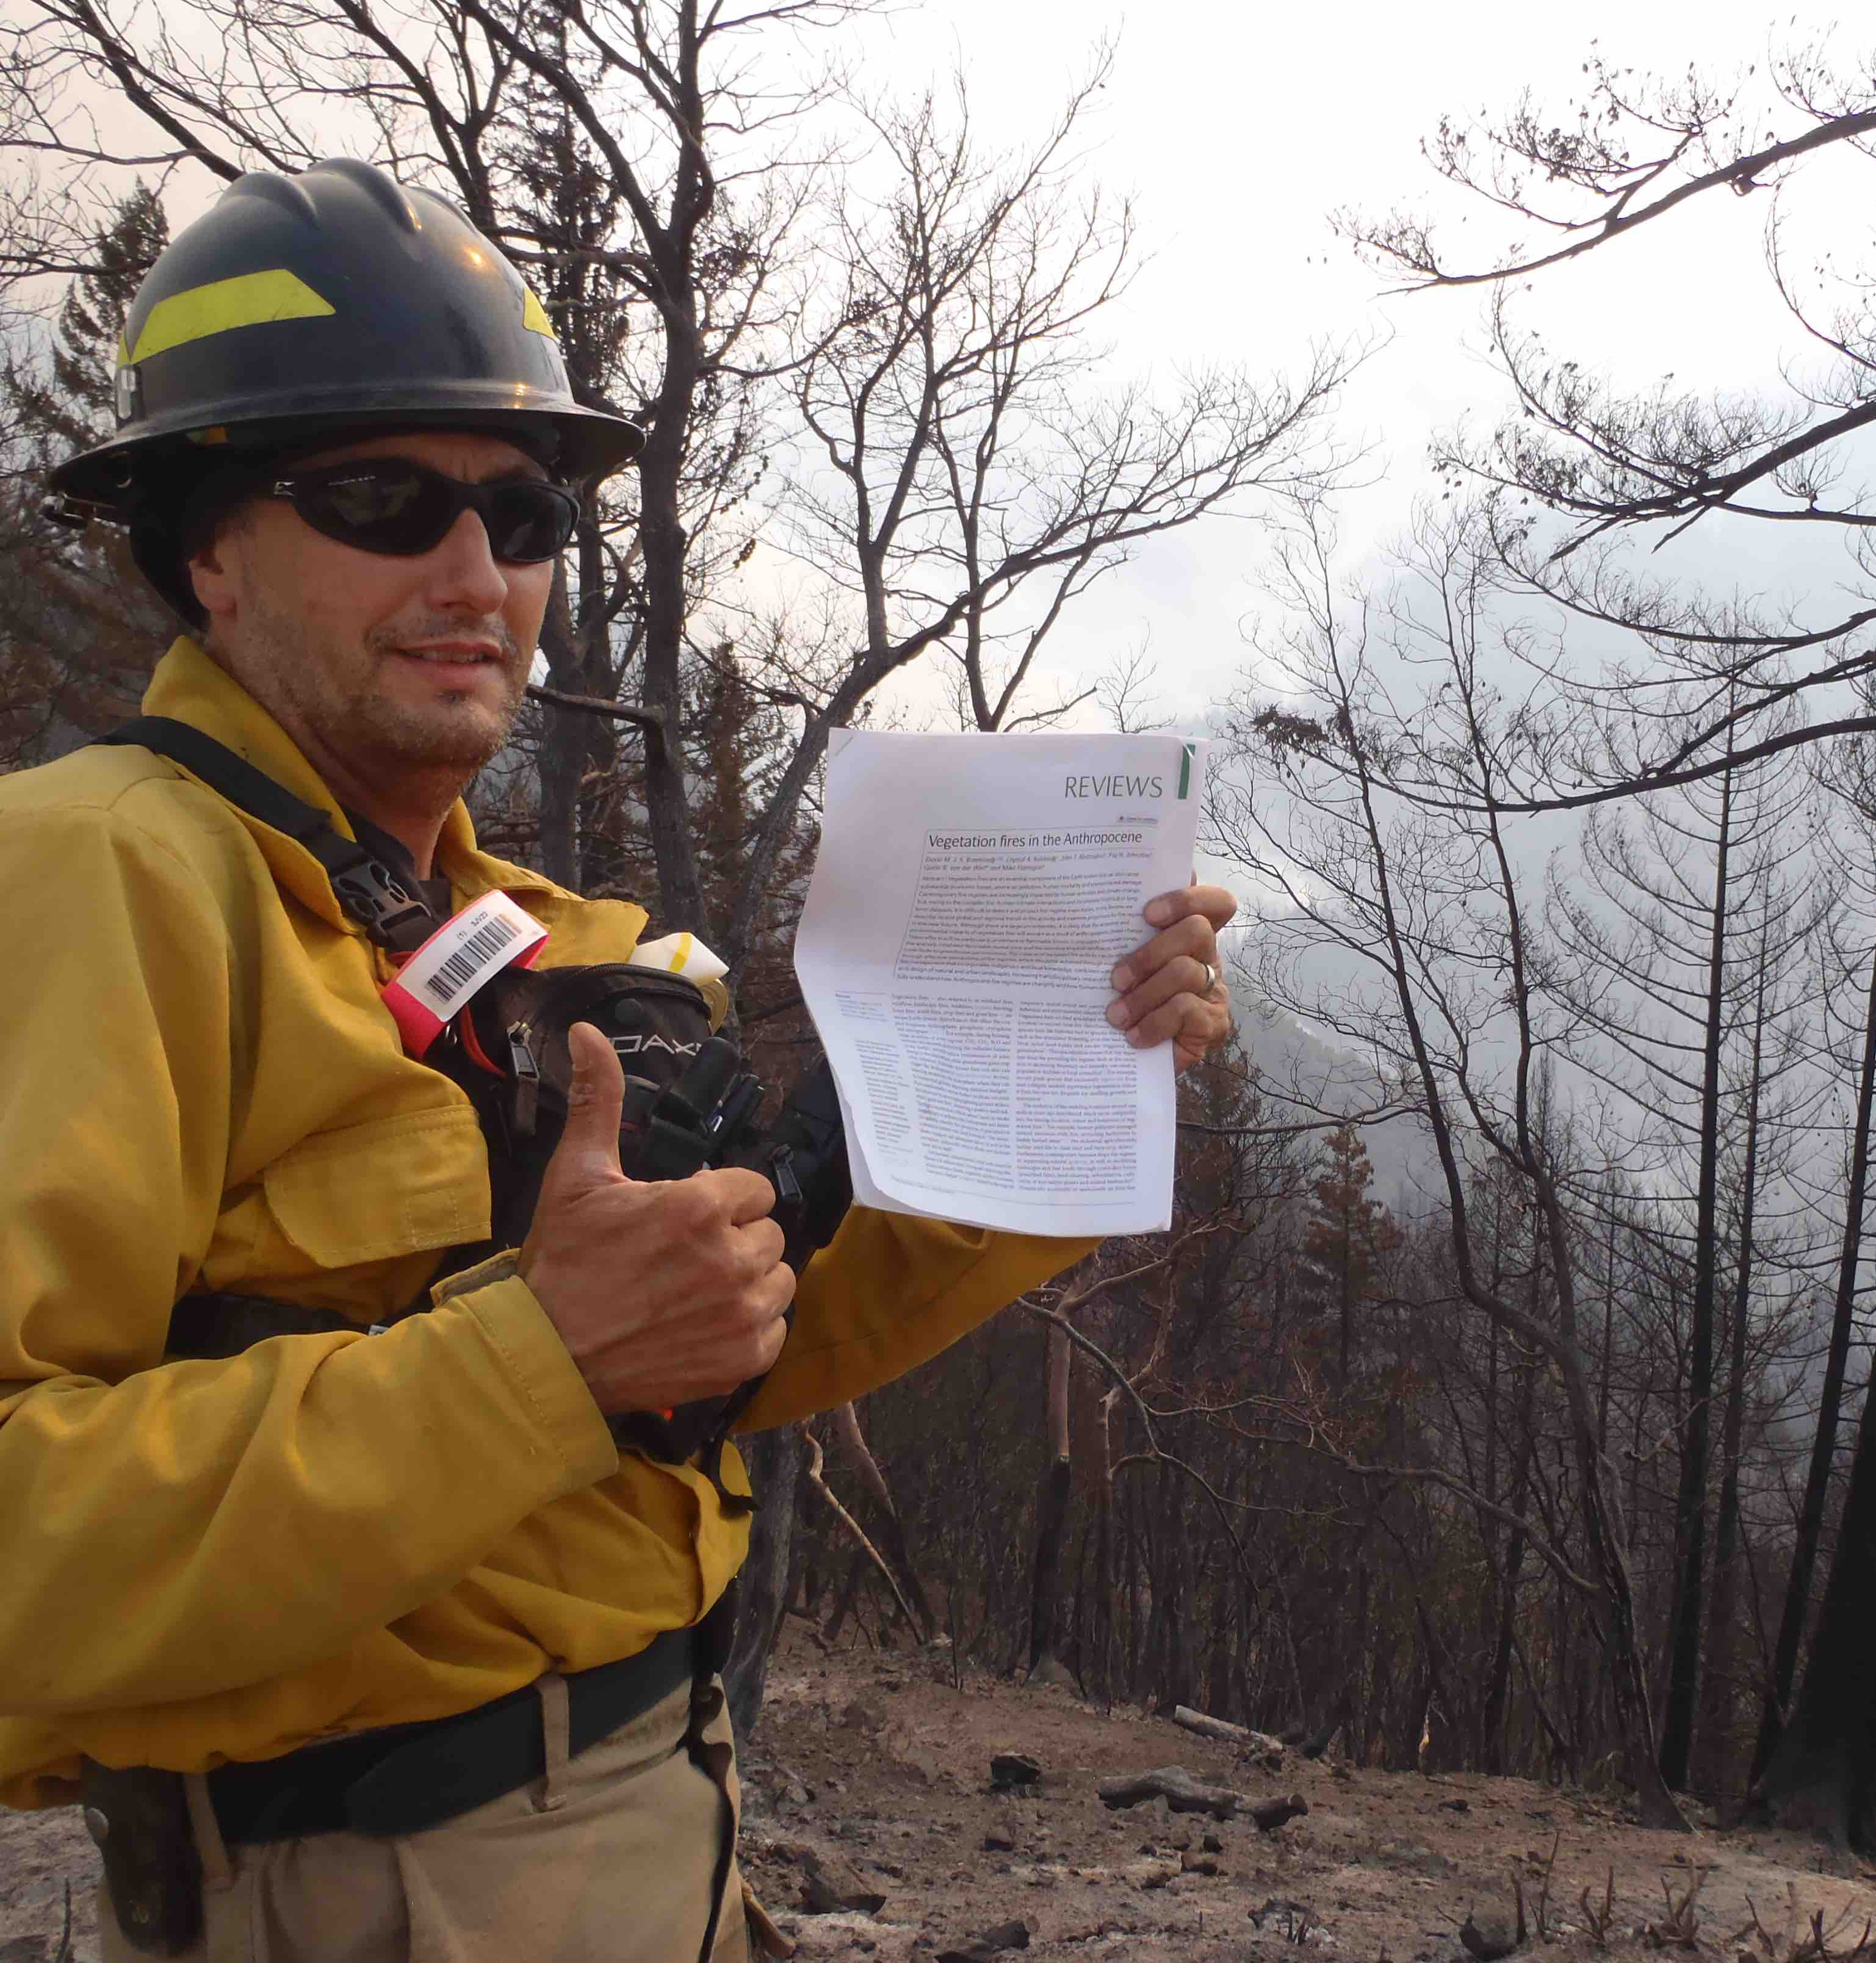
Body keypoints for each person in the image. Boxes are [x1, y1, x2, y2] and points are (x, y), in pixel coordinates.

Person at [0, 157, 1235, 1962]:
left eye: (520, 515)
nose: (473, 573)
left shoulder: (528, 936)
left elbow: (742, 1351)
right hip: (353, 1893)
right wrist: (539, 1358)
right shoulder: (94, 876)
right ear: (207, 548)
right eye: (379, 500)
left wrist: (1070, 1067)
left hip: (662, 1828)